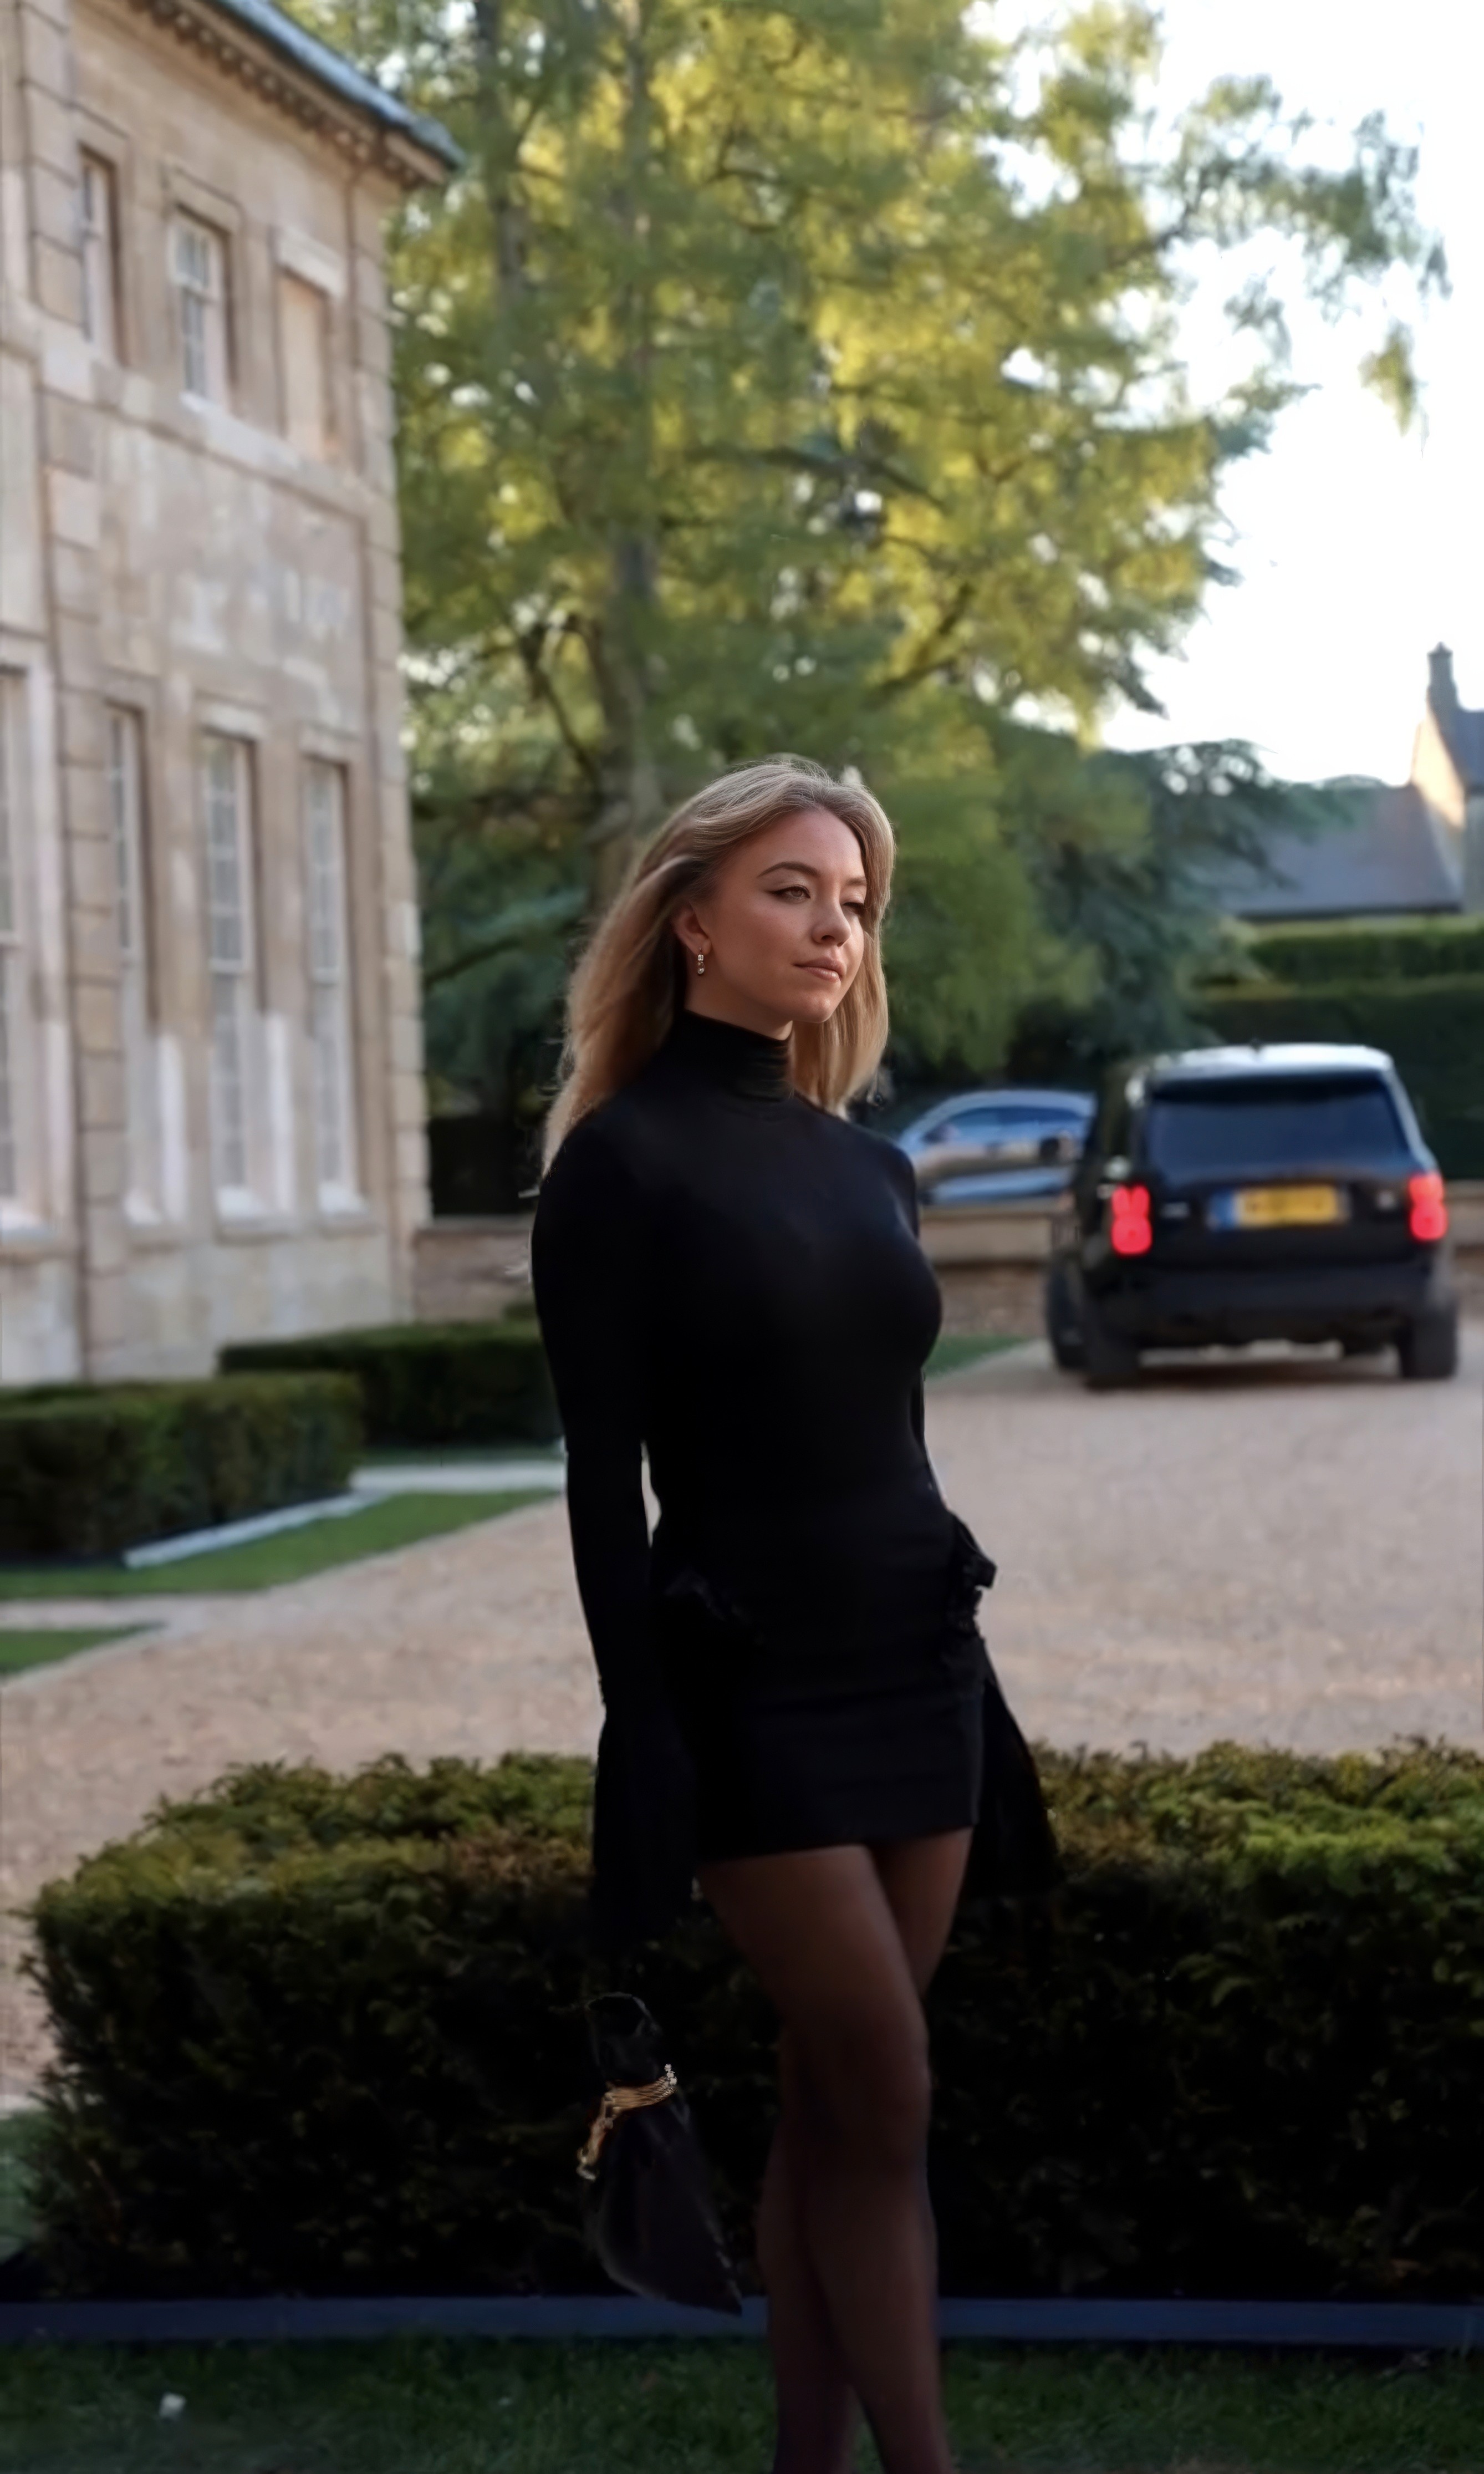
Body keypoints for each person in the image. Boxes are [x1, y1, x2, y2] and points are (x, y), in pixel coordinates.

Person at [531, 757, 1058, 2474]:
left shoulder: (872, 1169)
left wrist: (971, 1671)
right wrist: (646, 1738)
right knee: (886, 2086)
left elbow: (895, 1441)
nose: (834, 926)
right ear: (691, 919)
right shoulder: (619, 1170)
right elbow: (604, 1487)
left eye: (853, 902)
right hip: (750, 1686)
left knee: (843, 2107)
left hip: (916, 1661)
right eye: (791, 890)